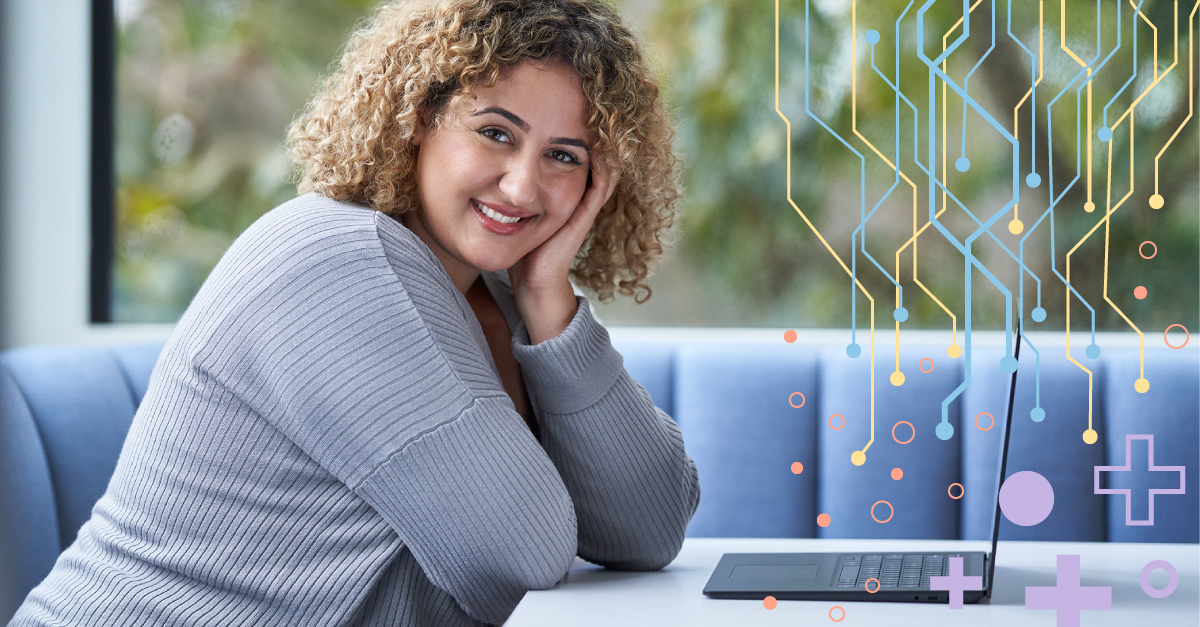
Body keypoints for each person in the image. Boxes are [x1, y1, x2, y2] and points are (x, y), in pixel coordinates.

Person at [9, 0, 699, 625]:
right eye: (496, 132)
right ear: (420, 113)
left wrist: (550, 298)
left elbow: (650, 525)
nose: (523, 184)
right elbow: (523, 550)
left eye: (563, 156)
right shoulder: (340, 260)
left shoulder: (496, 292)